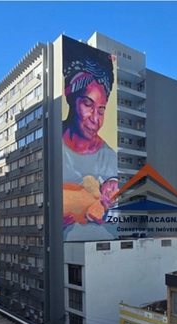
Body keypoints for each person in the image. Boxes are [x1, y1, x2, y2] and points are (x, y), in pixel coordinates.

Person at [61, 50, 119, 240]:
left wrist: (113, 185)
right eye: (88, 104)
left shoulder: (108, 158)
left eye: (101, 111)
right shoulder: (50, 143)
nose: (95, 119)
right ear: (69, 96)